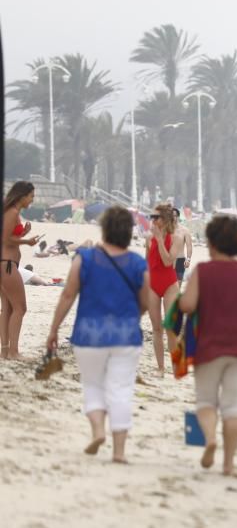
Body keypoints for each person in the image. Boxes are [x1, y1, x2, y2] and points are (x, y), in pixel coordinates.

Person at [46, 206, 149, 463]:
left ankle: (97, 432)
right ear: (128, 232)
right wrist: (132, 316)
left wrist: (54, 328)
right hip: (126, 336)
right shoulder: (138, 263)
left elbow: (68, 295)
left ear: (104, 229)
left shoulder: (84, 258)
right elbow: (146, 301)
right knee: (121, 390)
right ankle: (119, 452)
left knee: (93, 385)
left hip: (88, 334)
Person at [178, 215, 237, 477]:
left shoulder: (202, 272)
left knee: (206, 401)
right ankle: (229, 465)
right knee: (233, 407)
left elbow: (187, 305)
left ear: (212, 243)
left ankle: (209, 439)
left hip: (207, 347)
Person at [0, 182, 42, 360]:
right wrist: (27, 242)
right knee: (20, 307)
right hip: (7, 264)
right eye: (31, 196)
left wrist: (22, 234)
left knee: (8, 308)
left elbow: (9, 236)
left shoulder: (10, 212)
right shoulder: (12, 212)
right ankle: (14, 352)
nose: (32, 200)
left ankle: (5, 351)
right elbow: (6, 239)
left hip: (6, 263)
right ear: (22, 196)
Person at [146, 203, 182, 376]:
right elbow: (147, 263)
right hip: (152, 284)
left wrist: (160, 240)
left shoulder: (176, 238)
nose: (152, 220)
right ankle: (160, 368)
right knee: (156, 328)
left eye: (156, 217)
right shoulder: (148, 237)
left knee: (170, 328)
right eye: (151, 217)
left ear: (165, 219)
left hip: (169, 284)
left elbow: (168, 261)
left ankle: (176, 366)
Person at [173, 208, 193, 282]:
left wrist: (188, 259)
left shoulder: (185, 231)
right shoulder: (166, 230)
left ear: (178, 217)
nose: (172, 217)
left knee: (178, 285)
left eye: (174, 216)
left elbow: (189, 246)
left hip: (180, 260)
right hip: (168, 260)